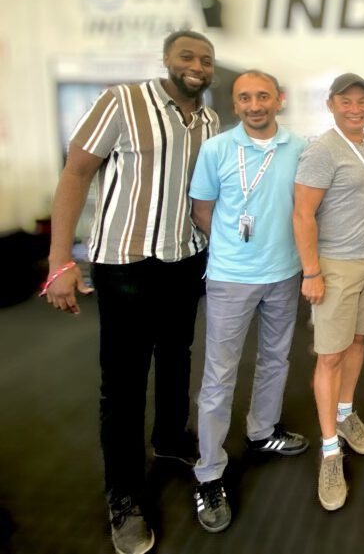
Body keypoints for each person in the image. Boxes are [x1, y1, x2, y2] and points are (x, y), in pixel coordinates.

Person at [43, 30, 219, 554]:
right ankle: (124, 495)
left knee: (177, 356)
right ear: (166, 59)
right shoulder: (121, 100)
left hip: (184, 259)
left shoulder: (209, 121)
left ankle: (170, 439)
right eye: (186, 56)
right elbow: (75, 174)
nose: (197, 65)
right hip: (124, 265)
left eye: (206, 59)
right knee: (122, 385)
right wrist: (59, 263)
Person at [188, 70, 310, 533]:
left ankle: (262, 431)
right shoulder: (217, 149)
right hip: (231, 278)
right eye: (245, 98)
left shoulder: (299, 148)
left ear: (279, 99)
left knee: (275, 359)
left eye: (262, 96)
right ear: (235, 104)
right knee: (219, 376)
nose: (254, 105)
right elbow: (203, 210)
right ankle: (209, 473)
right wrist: (235, 246)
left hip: (284, 273)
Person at [293, 73, 364, 511]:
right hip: (336, 265)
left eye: (362, 101)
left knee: (356, 341)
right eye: (346, 101)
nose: (355, 108)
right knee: (330, 355)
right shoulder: (322, 150)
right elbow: (302, 214)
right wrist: (311, 272)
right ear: (331, 104)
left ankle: (346, 413)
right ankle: (330, 449)